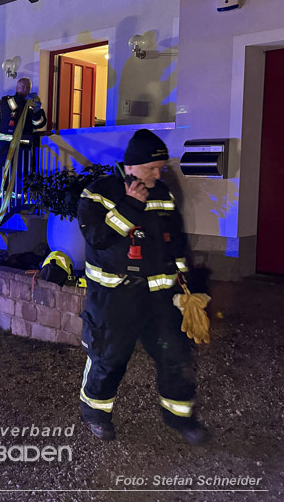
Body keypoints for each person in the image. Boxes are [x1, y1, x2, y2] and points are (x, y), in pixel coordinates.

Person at [76, 129, 209, 445]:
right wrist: (130, 206)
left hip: (160, 298)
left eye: (160, 167)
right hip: (114, 298)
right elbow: (98, 238)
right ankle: (95, 412)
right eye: (152, 168)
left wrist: (185, 287)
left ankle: (180, 415)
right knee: (109, 359)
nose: (157, 173)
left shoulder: (163, 193)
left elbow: (175, 241)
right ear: (132, 166)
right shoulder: (98, 193)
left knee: (175, 355)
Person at [0, 77, 47, 194]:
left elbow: (39, 124)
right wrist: (24, 100)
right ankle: (1, 201)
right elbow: (9, 106)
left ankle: (18, 201)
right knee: (3, 173)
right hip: (6, 146)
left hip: (23, 146)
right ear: (17, 88)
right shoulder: (8, 100)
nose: (25, 89)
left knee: (21, 173)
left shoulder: (32, 104)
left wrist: (36, 111)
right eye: (22, 87)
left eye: (27, 87)